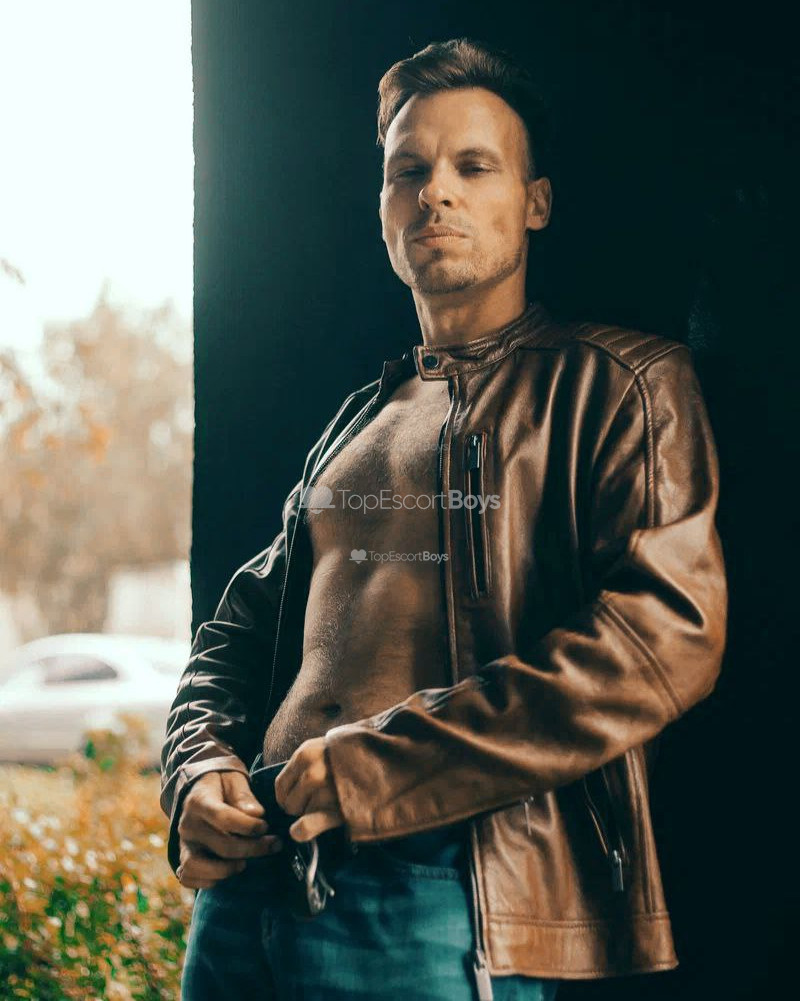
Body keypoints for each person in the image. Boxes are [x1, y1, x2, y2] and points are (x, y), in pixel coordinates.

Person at [161, 36, 728, 1001]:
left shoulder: (623, 382)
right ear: (384, 210)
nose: (435, 194)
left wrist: (380, 767)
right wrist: (196, 765)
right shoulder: (359, 419)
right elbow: (238, 630)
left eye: (474, 166)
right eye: (408, 171)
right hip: (246, 887)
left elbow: (666, 636)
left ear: (535, 201)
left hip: (441, 888)